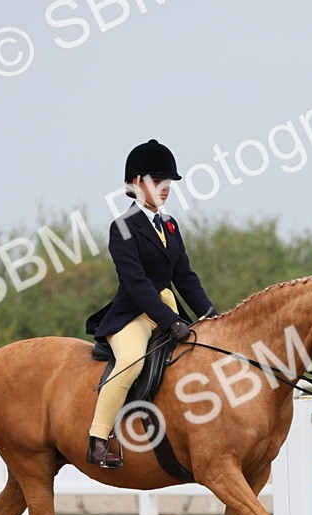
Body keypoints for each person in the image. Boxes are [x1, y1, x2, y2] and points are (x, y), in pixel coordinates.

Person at [84, 139, 216, 469]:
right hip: (134, 315)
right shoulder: (123, 228)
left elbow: (184, 276)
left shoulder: (170, 225)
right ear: (137, 183)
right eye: (158, 182)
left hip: (168, 309)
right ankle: (99, 438)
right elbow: (137, 283)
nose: (165, 188)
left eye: (167, 182)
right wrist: (169, 320)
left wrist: (210, 313)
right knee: (131, 360)